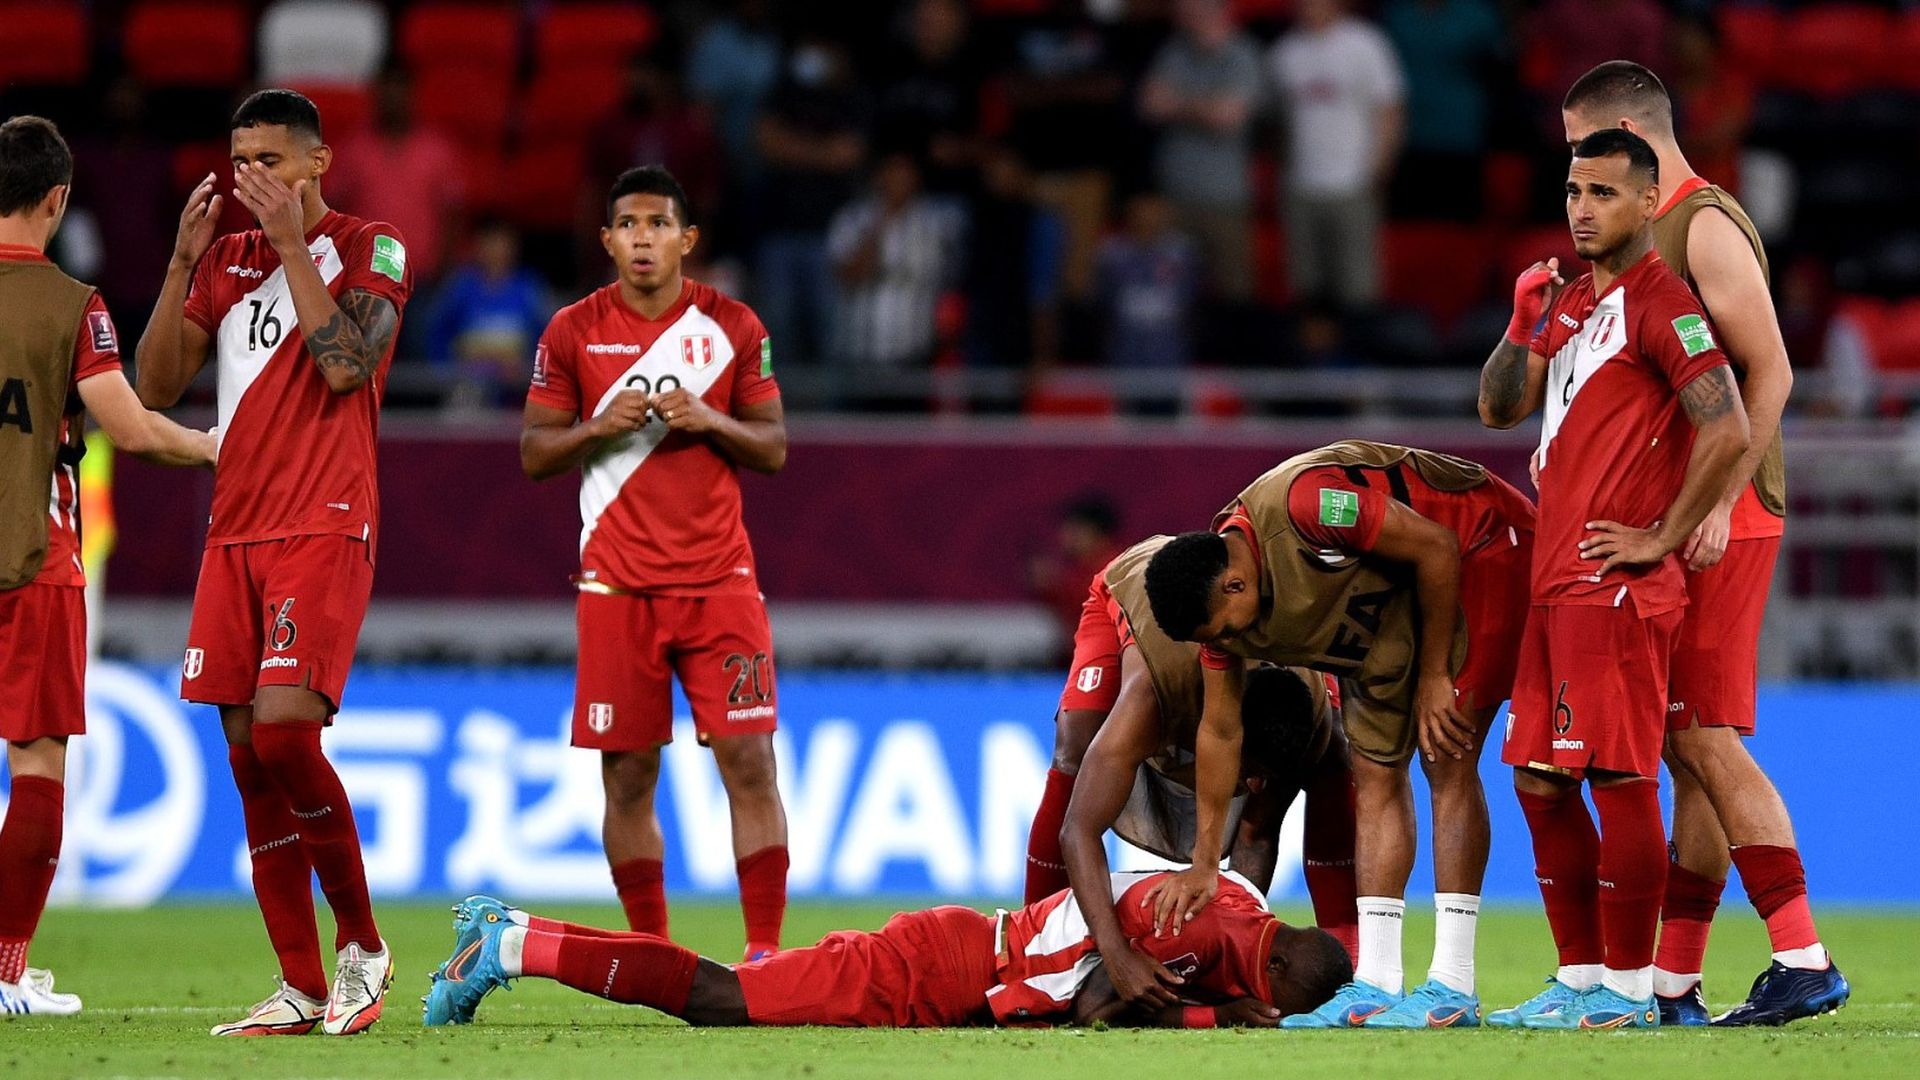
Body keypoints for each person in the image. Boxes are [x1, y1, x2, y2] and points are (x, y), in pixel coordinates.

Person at [1561, 61, 1847, 1028]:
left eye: (1588, 154)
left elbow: (1772, 372)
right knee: (1689, 745)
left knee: (1699, 732)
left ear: (1634, 132)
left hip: (1724, 517)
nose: (1580, 179)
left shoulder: (1702, 224)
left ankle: (1803, 953)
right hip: (1687, 512)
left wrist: (1717, 499)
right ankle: (1676, 985)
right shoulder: (1654, 229)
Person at [134, 89, 414, 1036]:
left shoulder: (374, 246)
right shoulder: (224, 259)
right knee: (251, 759)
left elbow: (346, 366)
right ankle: (299, 984)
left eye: (271, 160)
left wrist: (296, 246)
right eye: (239, 159)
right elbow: (156, 385)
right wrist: (179, 264)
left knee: (291, 735)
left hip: (325, 522)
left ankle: (365, 949)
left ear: (319, 161)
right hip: (235, 531)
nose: (252, 177)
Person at [1477, 127, 1751, 1030]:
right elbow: (1498, 407)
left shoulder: (1662, 303)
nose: (1583, 209)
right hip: (1558, 582)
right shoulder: (1575, 305)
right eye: (1572, 192)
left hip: (1616, 586)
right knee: (1538, 781)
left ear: (1645, 203)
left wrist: (1663, 536)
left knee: (1618, 779)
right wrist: (1523, 325)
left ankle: (1631, 991)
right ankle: (1584, 979)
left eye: (1602, 193)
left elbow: (1729, 425)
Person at [1139, 439, 1536, 1029]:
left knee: (1446, 755)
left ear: (1234, 586)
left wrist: (1432, 676)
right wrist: (1204, 861)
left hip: (1479, 549)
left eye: (1222, 631)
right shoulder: (1219, 622)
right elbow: (1220, 732)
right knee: (1373, 774)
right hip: (1383, 624)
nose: (1221, 644)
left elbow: (1434, 544)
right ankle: (1377, 979)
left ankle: (1454, 981)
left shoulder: (1309, 506)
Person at [520, 167, 790, 962]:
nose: (643, 238)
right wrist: (597, 428)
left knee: (750, 761)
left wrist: (709, 418)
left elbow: (772, 446)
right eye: (628, 225)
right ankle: (652, 953)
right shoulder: (570, 331)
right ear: (607, 241)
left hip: (719, 584)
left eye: (658, 224)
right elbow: (536, 453)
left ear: (686, 239)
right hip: (616, 586)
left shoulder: (734, 326)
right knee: (629, 777)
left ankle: (765, 952)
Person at [0, 115, 216, 1016]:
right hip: (32, 562)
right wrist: (211, 445)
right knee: (38, 763)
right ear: (58, 200)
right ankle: (4, 969)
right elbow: (128, 428)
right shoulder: (70, 304)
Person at [423, 876, 1353, 1029]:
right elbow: (1095, 1006)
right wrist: (1205, 1015)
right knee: (721, 999)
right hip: (941, 970)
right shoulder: (1203, 940)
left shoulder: (1238, 899)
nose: (1272, 1017)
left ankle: (508, 930)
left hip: (963, 950)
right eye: (1279, 1007)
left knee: (732, 983)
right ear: (1273, 973)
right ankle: (503, 951)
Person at [1267, 0, 1404, 313]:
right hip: (1300, 186)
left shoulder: (1365, 44)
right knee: (1306, 286)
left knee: (1357, 284)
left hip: (1352, 183)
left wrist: (1378, 168)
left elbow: (1389, 109)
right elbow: (1277, 125)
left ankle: (1361, 358)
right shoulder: (1284, 53)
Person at [1138, 0, 1263, 301]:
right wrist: (1206, 106)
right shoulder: (1174, 52)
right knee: (1174, 294)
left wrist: (1178, 104)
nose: (1186, 12)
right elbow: (1150, 105)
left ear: (1217, 9)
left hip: (1225, 198)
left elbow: (1228, 117)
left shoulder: (1242, 53)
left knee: (1235, 293)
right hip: (1176, 195)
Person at [825, 152, 964, 369]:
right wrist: (881, 223)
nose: (897, 179)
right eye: (891, 171)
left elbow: (951, 280)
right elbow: (849, 275)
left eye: (904, 171)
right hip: (860, 353)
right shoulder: (853, 217)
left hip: (917, 353)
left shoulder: (938, 222)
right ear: (878, 176)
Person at [425, 218, 550, 408]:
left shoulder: (529, 288)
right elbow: (437, 336)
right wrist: (450, 371)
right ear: (478, 246)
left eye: (501, 243)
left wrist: (527, 370)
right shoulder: (460, 286)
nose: (496, 250)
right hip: (466, 390)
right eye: (489, 243)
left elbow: (547, 338)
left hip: (518, 390)